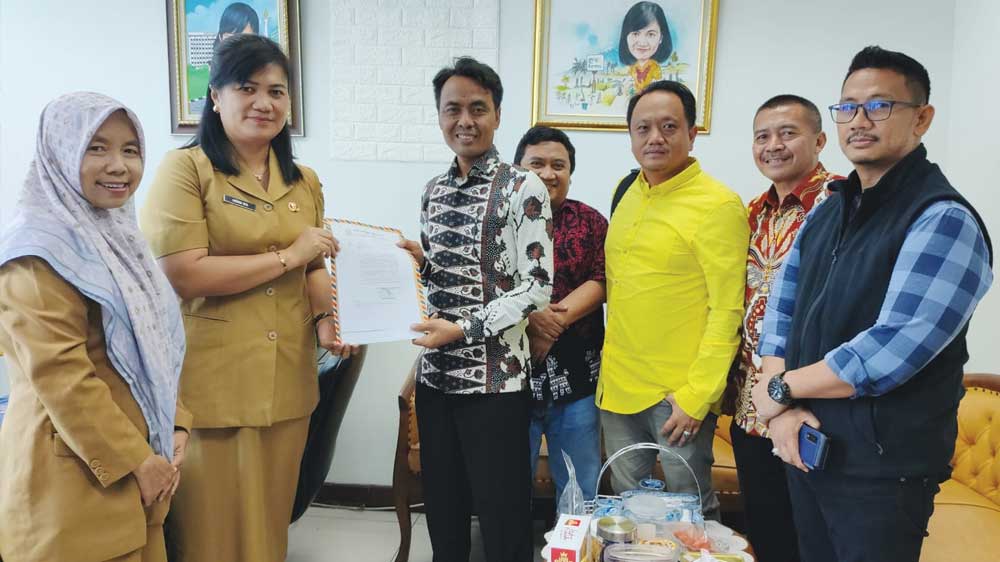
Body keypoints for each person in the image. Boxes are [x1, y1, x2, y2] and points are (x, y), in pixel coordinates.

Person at [752, 46, 993, 562]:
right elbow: (781, 310)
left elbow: (891, 348)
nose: (859, 121)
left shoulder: (941, 218)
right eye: (848, 107)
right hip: (807, 446)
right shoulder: (829, 211)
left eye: (879, 106)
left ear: (921, 118)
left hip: (881, 470)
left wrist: (780, 388)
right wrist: (782, 411)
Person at [141, 35, 356, 562]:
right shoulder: (186, 170)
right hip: (209, 384)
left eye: (276, 91)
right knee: (208, 535)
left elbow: (313, 265)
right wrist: (286, 256)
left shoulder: (303, 180)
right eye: (247, 88)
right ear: (215, 97)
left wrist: (327, 321)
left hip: (288, 381)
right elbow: (183, 273)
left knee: (268, 530)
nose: (264, 102)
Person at [0, 92, 190, 562]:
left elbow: (157, 343)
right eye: (96, 147)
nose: (118, 166)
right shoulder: (36, 254)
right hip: (72, 479)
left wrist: (177, 423)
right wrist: (138, 460)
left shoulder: (117, 236)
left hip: (141, 470)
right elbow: (62, 377)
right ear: (61, 153)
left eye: (130, 150)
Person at [397, 57, 553, 562]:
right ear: (440, 116)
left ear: (497, 115)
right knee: (444, 513)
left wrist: (462, 330)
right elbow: (444, 282)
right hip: (437, 380)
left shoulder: (523, 187)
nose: (465, 120)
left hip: (496, 384)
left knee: (502, 517)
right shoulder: (433, 192)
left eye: (478, 108)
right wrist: (418, 265)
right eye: (453, 109)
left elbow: (536, 288)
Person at [599, 80, 748, 521]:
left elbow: (727, 310)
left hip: (677, 396)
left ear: (692, 134)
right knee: (628, 508)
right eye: (642, 128)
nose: (655, 138)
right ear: (630, 135)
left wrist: (696, 396)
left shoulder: (718, 204)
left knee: (690, 512)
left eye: (668, 126)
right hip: (618, 387)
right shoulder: (626, 191)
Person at [724, 94, 840, 562]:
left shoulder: (842, 203)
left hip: (812, 406)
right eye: (762, 136)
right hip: (752, 408)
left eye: (787, 133)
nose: (773, 145)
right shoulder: (751, 211)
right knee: (767, 532)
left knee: (814, 540)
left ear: (820, 140)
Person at [513, 126, 607, 503]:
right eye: (536, 164)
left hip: (578, 378)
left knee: (580, 486)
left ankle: (574, 539)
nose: (548, 173)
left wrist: (550, 325)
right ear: (517, 170)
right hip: (512, 378)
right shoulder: (498, 223)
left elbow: (602, 279)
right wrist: (530, 319)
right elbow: (489, 284)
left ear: (570, 172)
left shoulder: (591, 221)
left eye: (559, 165)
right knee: (505, 483)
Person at [619, 2, 672, 94]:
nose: (642, 43)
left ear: (661, 38)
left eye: (651, 34)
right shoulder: (631, 69)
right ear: (625, 37)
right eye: (635, 34)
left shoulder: (656, 69)